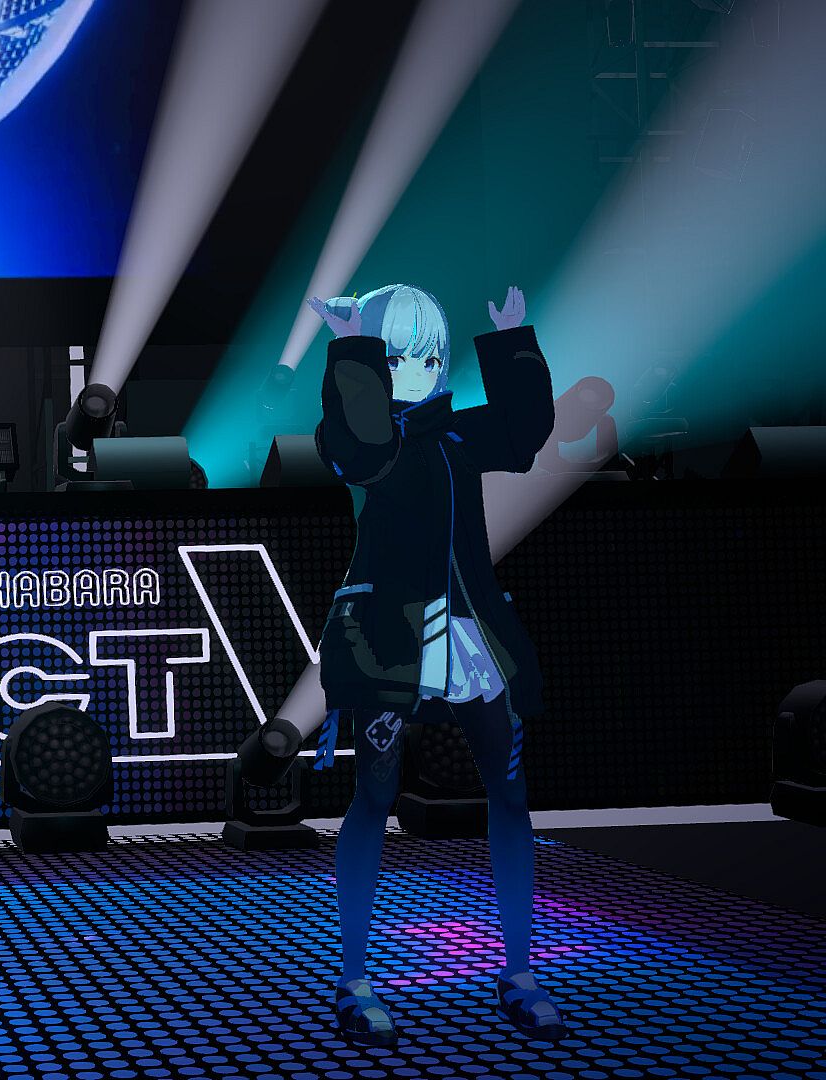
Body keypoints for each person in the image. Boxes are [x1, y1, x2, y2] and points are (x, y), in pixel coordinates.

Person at [308, 283, 567, 1047]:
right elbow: (361, 446)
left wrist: (513, 342)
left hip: (471, 637)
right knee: (373, 796)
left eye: (427, 357)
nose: (416, 372)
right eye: (398, 359)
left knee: (509, 794)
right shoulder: (363, 442)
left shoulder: (456, 435)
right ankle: (355, 978)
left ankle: (518, 971)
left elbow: (522, 435)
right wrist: (353, 347)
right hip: (390, 640)